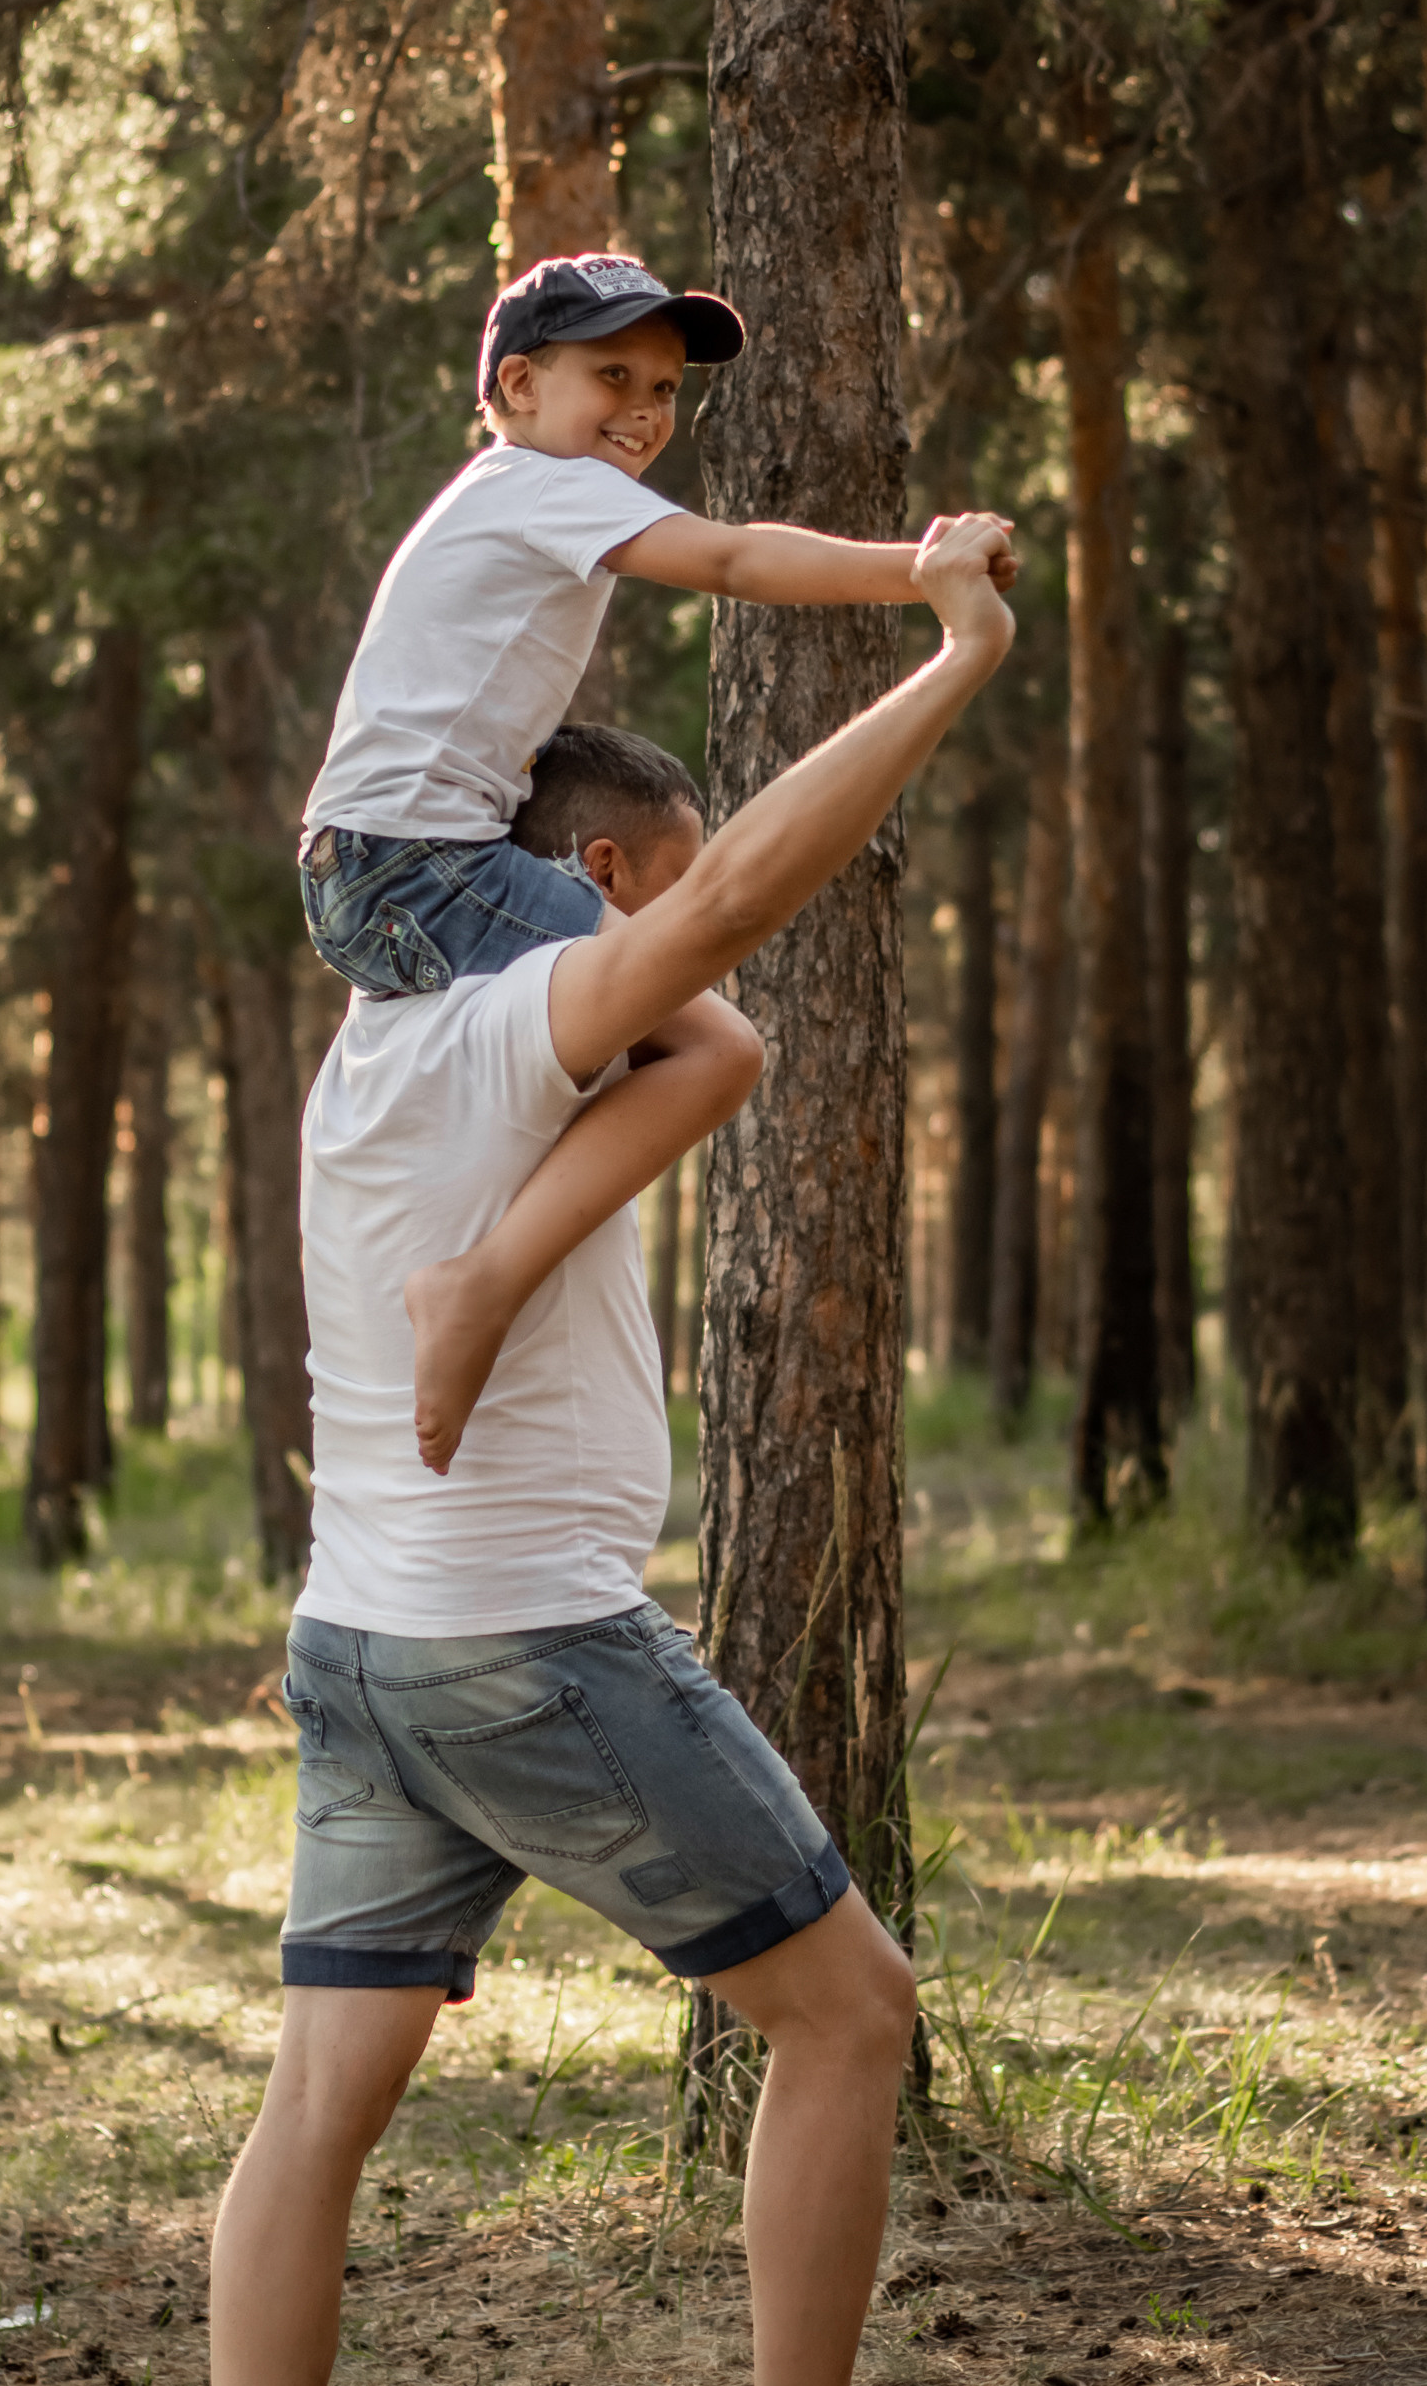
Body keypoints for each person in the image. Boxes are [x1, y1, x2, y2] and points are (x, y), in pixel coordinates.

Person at [201, 510, 1024, 2386]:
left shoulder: (367, 1063)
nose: (677, 957)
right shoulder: (504, 1020)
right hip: (526, 1649)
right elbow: (744, 897)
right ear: (570, 883)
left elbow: (717, 1025)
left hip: (362, 1652)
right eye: (638, 910)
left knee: (316, 2112)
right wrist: (945, 663)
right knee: (851, 2017)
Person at [297, 249, 1012, 1475]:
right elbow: (736, 563)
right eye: (610, 376)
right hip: (410, 868)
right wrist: (923, 571)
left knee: (650, 1044)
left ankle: (490, 1270)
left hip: (378, 868)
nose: (643, 411)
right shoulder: (541, 484)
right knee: (717, 1047)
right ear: (519, 386)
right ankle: (477, 1286)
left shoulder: (513, 492)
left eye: (667, 389)